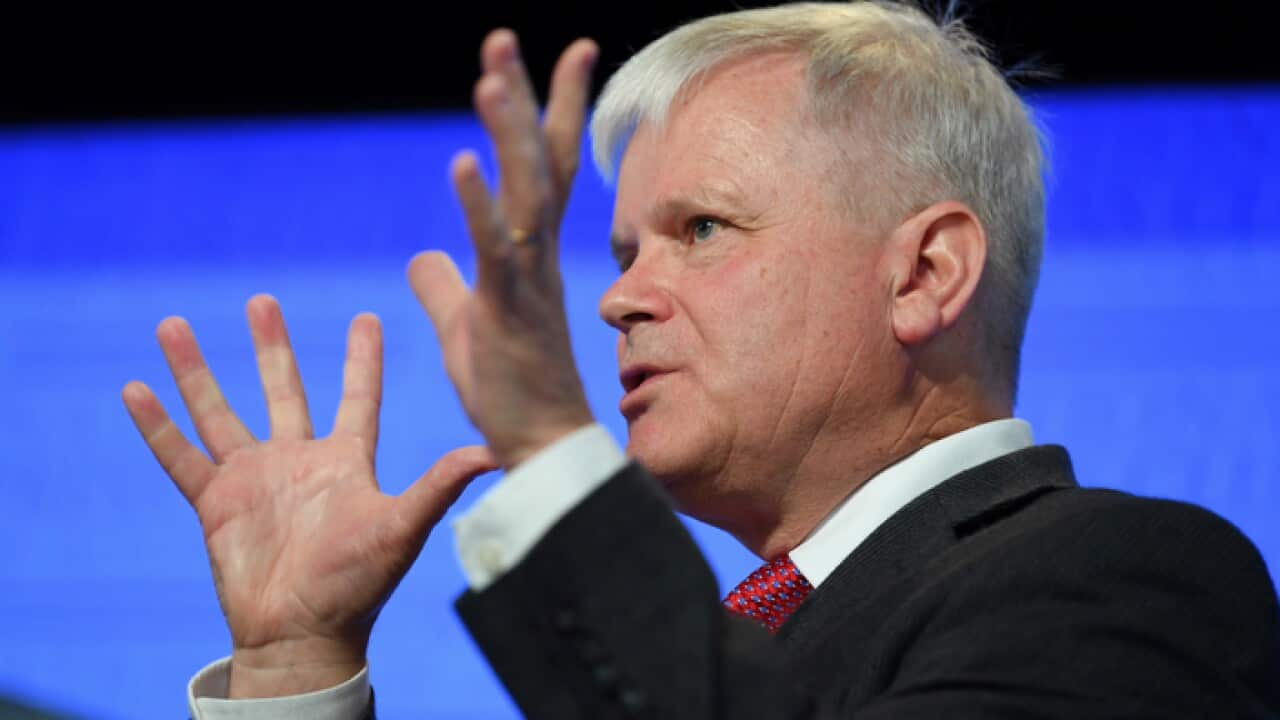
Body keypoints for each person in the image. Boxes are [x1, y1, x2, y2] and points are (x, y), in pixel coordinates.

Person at [122, 2, 1280, 718]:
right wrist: (293, 668)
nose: (620, 297)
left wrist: (551, 454)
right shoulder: (705, 642)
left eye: (701, 231)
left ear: (923, 274)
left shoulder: (1132, 580)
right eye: (623, 249)